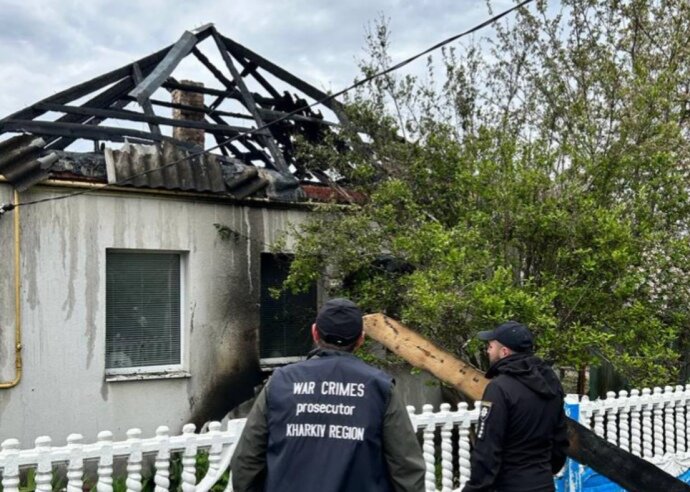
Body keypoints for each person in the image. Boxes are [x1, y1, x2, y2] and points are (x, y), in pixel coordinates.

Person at [231, 298, 426, 492]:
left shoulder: (280, 382)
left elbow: (247, 461)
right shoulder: (379, 388)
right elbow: (406, 469)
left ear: (315, 332)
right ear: (361, 339)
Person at [462, 321, 569, 492]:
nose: (487, 351)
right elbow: (560, 440)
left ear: (504, 352)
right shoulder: (551, 383)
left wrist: (475, 488)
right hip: (543, 483)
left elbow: (487, 449)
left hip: (509, 485)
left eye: (490, 346)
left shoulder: (499, 388)